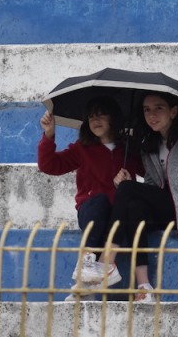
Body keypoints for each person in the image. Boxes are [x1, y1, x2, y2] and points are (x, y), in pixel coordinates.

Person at [108, 93, 178, 303]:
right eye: (146, 110)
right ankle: (144, 285)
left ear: (174, 111)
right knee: (133, 206)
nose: (152, 115)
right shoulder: (150, 143)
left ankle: (107, 261)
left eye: (159, 108)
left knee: (127, 190)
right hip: (166, 210)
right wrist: (129, 184)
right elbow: (152, 185)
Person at [37, 98, 143, 294]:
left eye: (101, 114)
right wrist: (49, 134)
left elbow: (150, 172)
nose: (95, 120)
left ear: (114, 119)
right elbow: (49, 165)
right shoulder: (82, 148)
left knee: (122, 208)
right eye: (91, 116)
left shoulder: (128, 149)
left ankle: (85, 285)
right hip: (91, 212)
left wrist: (128, 180)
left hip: (118, 218)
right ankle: (86, 260)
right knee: (100, 202)